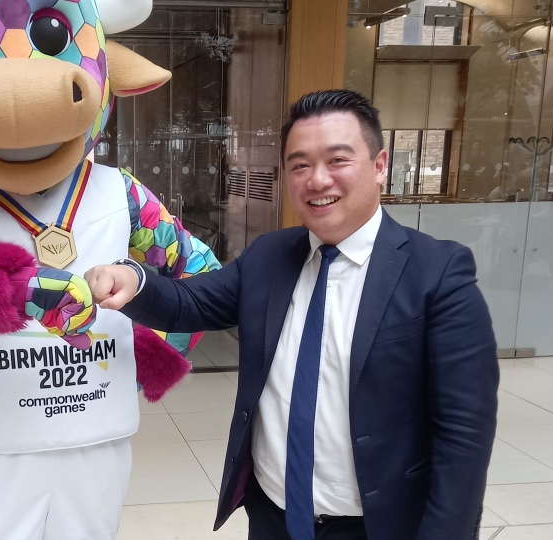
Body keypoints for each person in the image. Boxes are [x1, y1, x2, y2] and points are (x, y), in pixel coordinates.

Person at [85, 89, 499, 540]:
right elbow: (192, 302)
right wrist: (134, 278)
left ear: (380, 166)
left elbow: (464, 434)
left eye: (337, 160)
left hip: (377, 525)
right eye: (300, 165)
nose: (317, 180)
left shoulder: (438, 273)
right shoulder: (271, 256)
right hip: (272, 517)